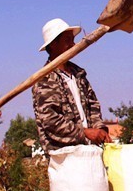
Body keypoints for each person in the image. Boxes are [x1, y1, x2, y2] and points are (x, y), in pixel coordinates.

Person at [32, 18, 110, 154]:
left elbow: (93, 106)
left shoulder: (78, 74)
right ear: (53, 45)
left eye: (72, 39)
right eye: (67, 40)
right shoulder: (44, 79)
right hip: (64, 156)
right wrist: (85, 133)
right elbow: (51, 122)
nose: (73, 44)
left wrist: (100, 130)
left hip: (90, 152)